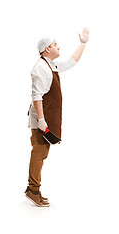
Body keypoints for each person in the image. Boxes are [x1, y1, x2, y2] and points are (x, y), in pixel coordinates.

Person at [25, 27, 89, 207]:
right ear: (47, 49)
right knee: (39, 153)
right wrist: (41, 120)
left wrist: (83, 44)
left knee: (42, 152)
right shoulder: (40, 68)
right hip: (41, 119)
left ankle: (33, 188)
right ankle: (33, 190)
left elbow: (71, 62)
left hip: (46, 117)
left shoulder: (50, 65)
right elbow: (37, 95)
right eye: (55, 45)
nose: (58, 47)